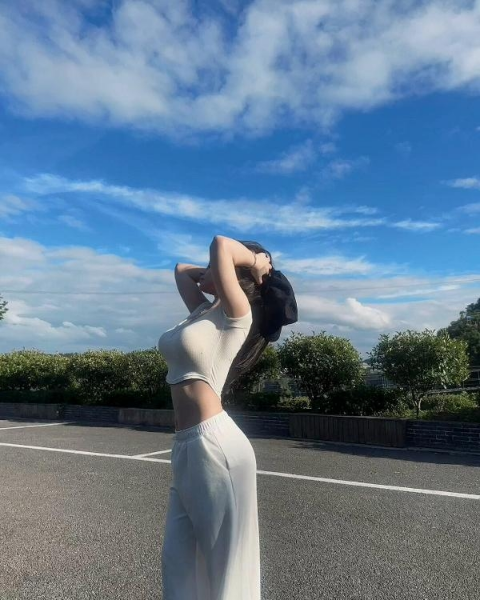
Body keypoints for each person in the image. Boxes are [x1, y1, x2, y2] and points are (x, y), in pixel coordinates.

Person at [157, 235, 298, 600]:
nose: (205, 269)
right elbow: (181, 271)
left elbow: (221, 243)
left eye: (213, 268)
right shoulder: (201, 313)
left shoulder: (235, 315)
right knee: (178, 563)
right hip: (185, 445)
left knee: (227, 568)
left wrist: (256, 262)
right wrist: (212, 273)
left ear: (233, 275)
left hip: (215, 445)